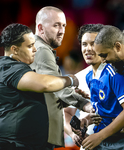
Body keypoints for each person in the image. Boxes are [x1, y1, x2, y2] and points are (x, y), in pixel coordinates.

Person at [0, 23, 79, 150]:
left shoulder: (18, 68)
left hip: (26, 144)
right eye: (30, 46)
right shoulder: (7, 67)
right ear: (15, 49)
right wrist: (71, 79)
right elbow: (46, 84)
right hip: (10, 144)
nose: (35, 49)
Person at [30, 6, 92, 150]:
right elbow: (56, 87)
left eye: (63, 25)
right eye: (56, 25)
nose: (62, 31)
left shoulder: (32, 47)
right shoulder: (41, 50)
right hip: (30, 133)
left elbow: (44, 93)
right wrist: (85, 104)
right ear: (40, 27)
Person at [70, 24, 124, 150]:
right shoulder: (89, 77)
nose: (88, 49)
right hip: (102, 139)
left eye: (93, 43)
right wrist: (85, 121)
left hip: (122, 141)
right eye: (84, 44)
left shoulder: (114, 74)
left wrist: (99, 136)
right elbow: (104, 111)